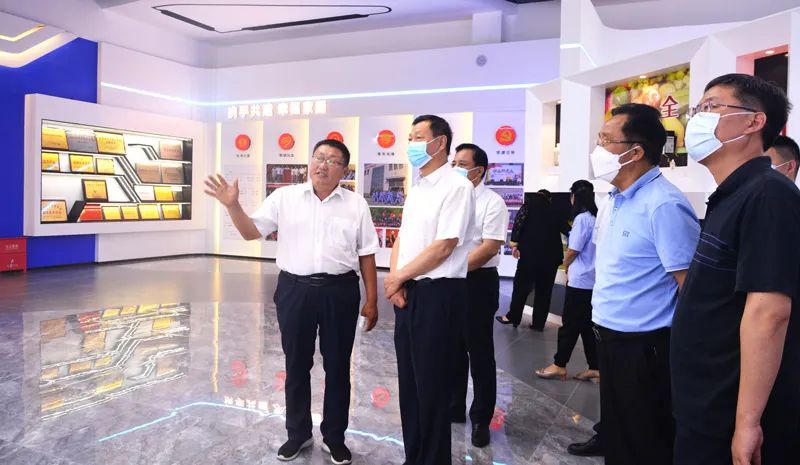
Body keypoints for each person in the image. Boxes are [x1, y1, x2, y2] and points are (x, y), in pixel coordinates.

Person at [204, 139, 380, 465]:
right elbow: (250, 232)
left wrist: (372, 300)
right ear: (310, 162)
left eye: (332, 160)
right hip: (294, 290)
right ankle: (297, 434)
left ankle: (334, 437)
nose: (323, 165)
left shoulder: (356, 205)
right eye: (319, 157)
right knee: (296, 364)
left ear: (344, 170)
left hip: (340, 291)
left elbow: (367, 253)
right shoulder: (285, 198)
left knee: (338, 367)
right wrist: (232, 206)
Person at [672, 73, 800, 465]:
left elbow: (768, 313)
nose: (698, 118)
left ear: (754, 121)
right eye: (698, 109)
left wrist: (747, 423)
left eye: (711, 107)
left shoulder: (768, 195)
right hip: (705, 402)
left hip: (727, 414)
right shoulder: (733, 194)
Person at [587, 103, 701, 465]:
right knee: (619, 435)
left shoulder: (663, 204)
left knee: (645, 441)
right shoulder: (613, 199)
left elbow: (689, 286)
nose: (598, 148)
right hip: (610, 336)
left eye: (606, 140)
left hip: (645, 347)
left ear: (634, 152)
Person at [383, 115, 475, 465]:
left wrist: (399, 278)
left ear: (440, 143)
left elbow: (444, 247)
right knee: (410, 384)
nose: (412, 144)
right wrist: (396, 280)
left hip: (439, 294)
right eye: (410, 137)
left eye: (419, 137)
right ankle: (414, 456)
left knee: (432, 387)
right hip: (409, 291)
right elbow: (403, 239)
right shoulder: (419, 187)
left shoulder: (456, 187)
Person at [449, 143, 508, 448]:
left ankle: (482, 418)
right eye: (453, 162)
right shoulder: (450, 197)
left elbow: (488, 248)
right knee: (453, 349)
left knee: (479, 351)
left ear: (478, 170)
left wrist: (453, 268)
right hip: (450, 280)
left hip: (477, 282)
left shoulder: (492, 202)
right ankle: (454, 407)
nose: (455, 168)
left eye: (462, 164)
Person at [536, 180, 599, 382]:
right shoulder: (596, 217)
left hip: (579, 280)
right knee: (588, 326)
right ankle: (595, 366)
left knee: (569, 324)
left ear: (574, 196)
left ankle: (559, 364)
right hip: (593, 279)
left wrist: (565, 266)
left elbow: (573, 250)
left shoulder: (581, 219)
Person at [496, 190, 565, 330]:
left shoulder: (528, 206)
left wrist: (514, 244)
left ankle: (513, 317)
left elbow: (518, 224)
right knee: (544, 292)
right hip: (551, 258)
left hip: (530, 255)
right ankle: (538, 324)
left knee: (521, 288)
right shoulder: (555, 209)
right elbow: (566, 229)